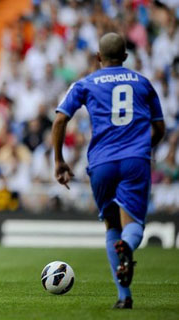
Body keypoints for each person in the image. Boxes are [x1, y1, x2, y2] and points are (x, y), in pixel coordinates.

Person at [51, 32, 165, 309]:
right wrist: (141, 148)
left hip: (101, 164)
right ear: (126, 57)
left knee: (111, 226)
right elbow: (160, 128)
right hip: (134, 161)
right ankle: (128, 247)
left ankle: (124, 297)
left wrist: (59, 161)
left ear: (98, 57)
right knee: (132, 226)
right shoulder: (143, 83)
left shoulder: (85, 83)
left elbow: (59, 121)